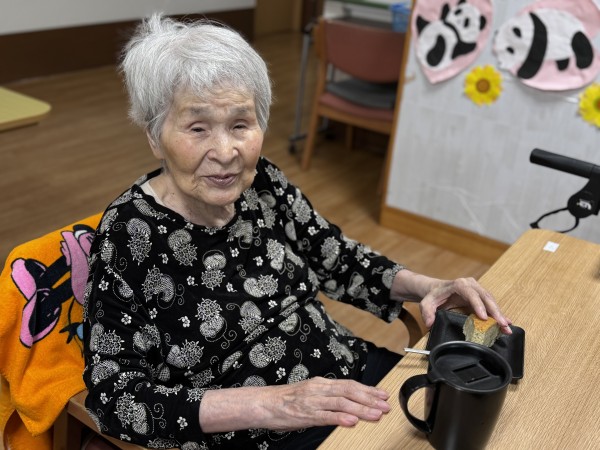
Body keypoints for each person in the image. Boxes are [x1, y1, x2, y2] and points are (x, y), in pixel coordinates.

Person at [82, 13, 511, 450]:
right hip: (255, 433)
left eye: (240, 125)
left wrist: (429, 287)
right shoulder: (129, 234)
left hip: (346, 378)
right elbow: (116, 399)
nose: (226, 152)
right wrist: (276, 403)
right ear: (155, 137)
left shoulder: (260, 183)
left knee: (485, 417)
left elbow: (336, 258)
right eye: (198, 128)